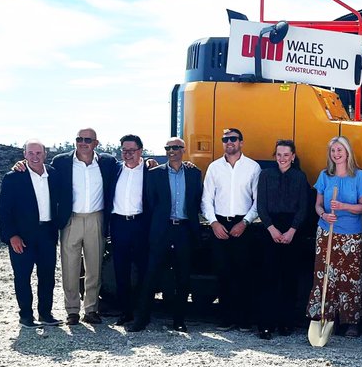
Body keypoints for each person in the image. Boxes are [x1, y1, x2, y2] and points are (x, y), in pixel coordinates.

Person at [130, 138, 202, 333]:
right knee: (151, 275)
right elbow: (151, 203)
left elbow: (196, 200)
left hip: (184, 230)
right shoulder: (155, 174)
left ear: (183, 150)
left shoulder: (194, 173)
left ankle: (179, 320)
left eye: (176, 148)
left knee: (183, 277)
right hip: (162, 230)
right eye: (168, 148)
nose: (172, 151)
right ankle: (141, 319)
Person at [49, 127, 117, 325]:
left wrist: (149, 162)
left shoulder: (107, 163)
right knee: (69, 267)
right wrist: (22, 164)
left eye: (88, 139)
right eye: (79, 138)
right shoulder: (61, 162)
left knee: (94, 267)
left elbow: (129, 167)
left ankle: (91, 309)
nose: (83, 142)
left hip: (96, 218)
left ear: (96, 143)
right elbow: (43, 175)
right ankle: (72, 311)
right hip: (70, 219)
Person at [307, 136, 362, 336]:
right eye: (333, 151)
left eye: (339, 150)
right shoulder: (325, 176)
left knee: (350, 277)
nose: (336, 154)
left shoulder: (359, 176)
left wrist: (343, 206)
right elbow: (317, 205)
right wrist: (324, 214)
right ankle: (325, 316)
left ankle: (351, 320)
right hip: (326, 232)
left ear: (347, 152)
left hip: (350, 234)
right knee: (325, 274)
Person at [202, 127, 261, 330]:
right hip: (220, 225)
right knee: (223, 272)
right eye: (225, 139)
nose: (229, 142)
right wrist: (213, 223)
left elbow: (258, 201)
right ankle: (226, 318)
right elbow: (206, 199)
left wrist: (245, 222)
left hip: (243, 225)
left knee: (244, 273)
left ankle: (244, 320)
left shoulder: (253, 168)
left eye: (234, 139)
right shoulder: (214, 168)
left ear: (241, 142)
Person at [0, 140, 62, 327]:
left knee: (47, 276)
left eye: (39, 153)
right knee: (22, 277)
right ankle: (26, 316)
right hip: (22, 237)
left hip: (47, 233)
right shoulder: (13, 177)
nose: (35, 157)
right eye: (31, 153)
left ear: (45, 154)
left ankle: (45, 314)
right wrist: (11, 236)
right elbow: (4, 210)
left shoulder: (53, 174)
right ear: (24, 154)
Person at [256, 140, 309, 339]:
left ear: (293, 156)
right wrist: (271, 229)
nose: (282, 158)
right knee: (268, 278)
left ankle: (286, 323)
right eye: (279, 154)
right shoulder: (266, 175)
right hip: (270, 229)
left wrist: (291, 231)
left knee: (289, 278)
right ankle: (265, 324)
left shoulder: (300, 177)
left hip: (292, 230)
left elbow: (303, 207)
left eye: (286, 155)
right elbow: (261, 205)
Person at [106, 134, 150, 326]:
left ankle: (142, 313)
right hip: (118, 225)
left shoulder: (150, 171)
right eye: (124, 150)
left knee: (143, 270)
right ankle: (125, 312)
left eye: (132, 150)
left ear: (140, 151)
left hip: (141, 225)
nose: (128, 154)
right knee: (121, 270)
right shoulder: (114, 170)